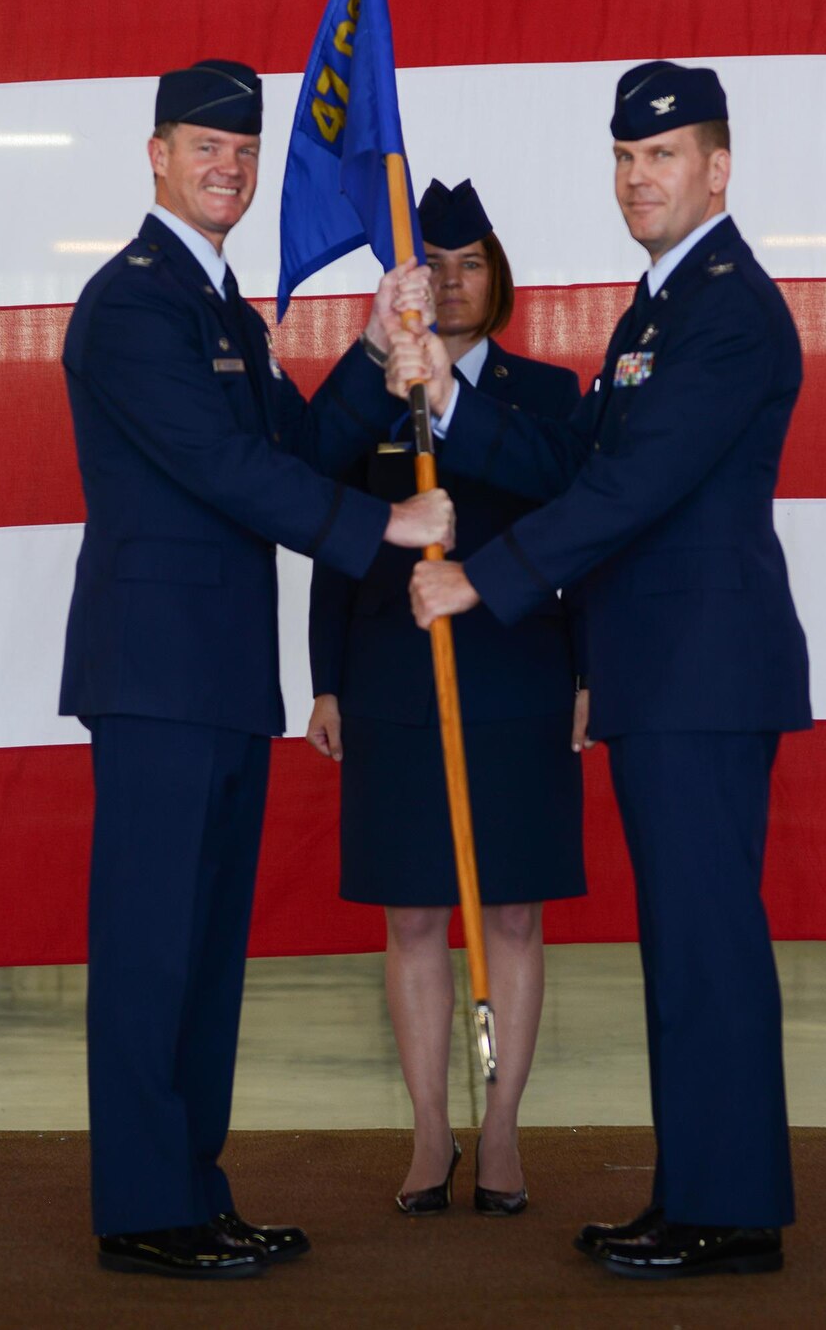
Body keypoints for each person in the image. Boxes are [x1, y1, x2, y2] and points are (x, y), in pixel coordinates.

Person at [396, 61, 811, 1279]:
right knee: (683, 945)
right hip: (666, 672)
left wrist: (483, 576)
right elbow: (570, 452)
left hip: (702, 671)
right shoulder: (657, 308)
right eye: (625, 159)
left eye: (665, 156)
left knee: (705, 944)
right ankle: (700, 1191)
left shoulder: (727, 308)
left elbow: (633, 488)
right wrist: (449, 400)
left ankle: (727, 1210)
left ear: (716, 168)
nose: (639, 177)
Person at [58, 57, 454, 1279]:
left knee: (204, 955)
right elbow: (222, 470)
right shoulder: (130, 306)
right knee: (149, 948)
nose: (227, 166)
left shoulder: (221, 307)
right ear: (156, 155)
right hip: (155, 673)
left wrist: (377, 339)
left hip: (222, 674)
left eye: (243, 149)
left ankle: (191, 1186)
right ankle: (142, 1206)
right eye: (202, 146)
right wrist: (381, 530)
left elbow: (296, 443)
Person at [304, 179, 586, 1218]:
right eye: (435, 266)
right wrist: (324, 677)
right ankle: (430, 1136)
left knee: (513, 913)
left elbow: (578, 522)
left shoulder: (548, 394)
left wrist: (589, 674)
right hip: (390, 676)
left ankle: (502, 1131)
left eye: (470, 264)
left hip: (516, 677)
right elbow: (334, 533)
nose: (454, 284)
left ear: (496, 278)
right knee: (412, 916)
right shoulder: (375, 387)